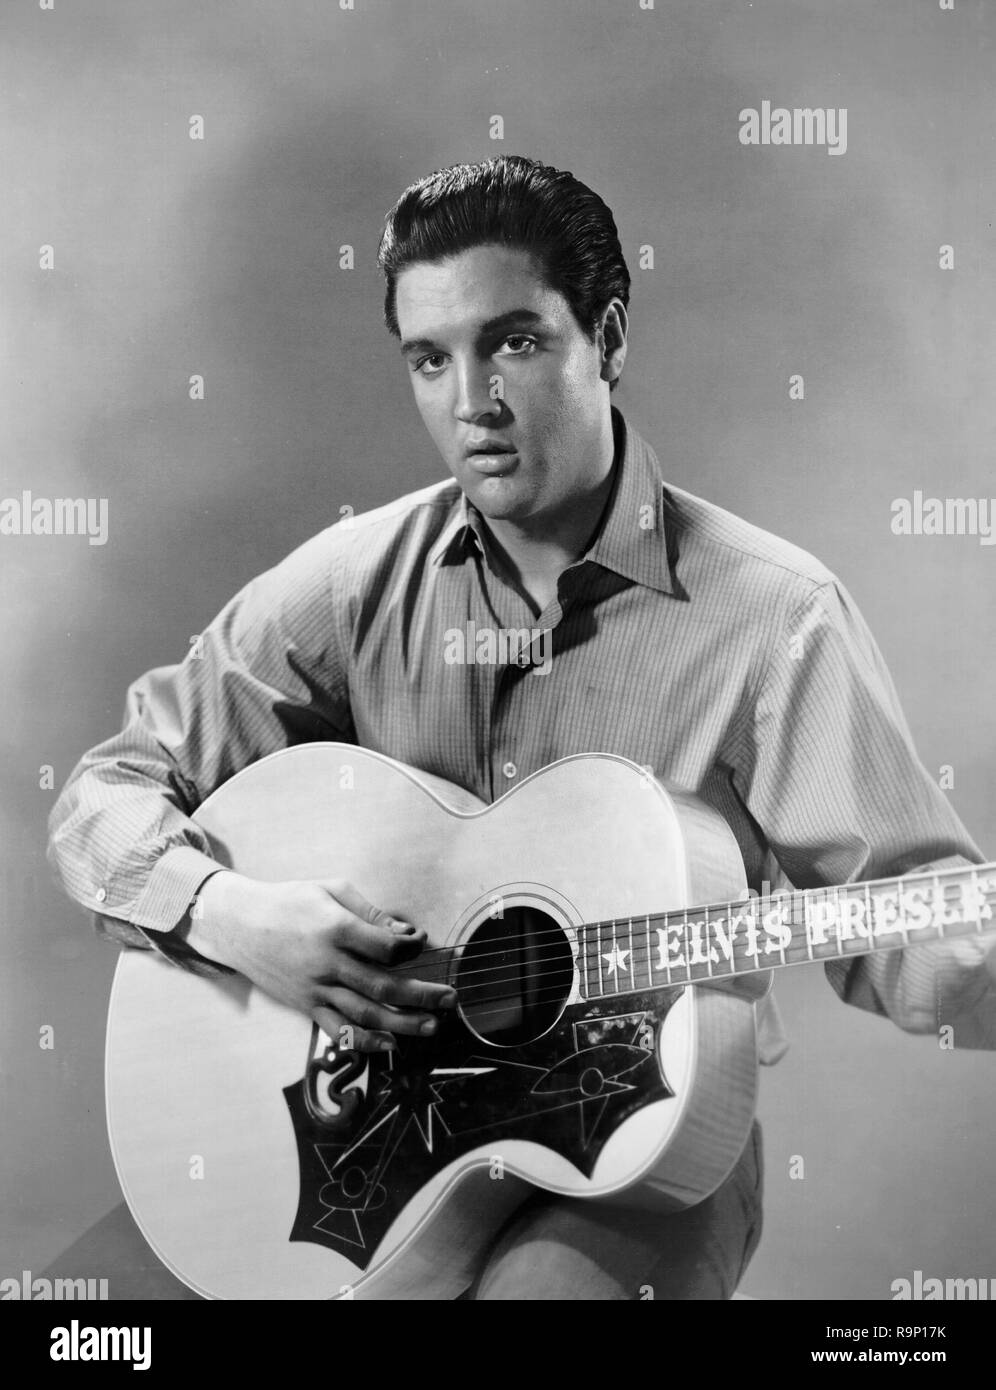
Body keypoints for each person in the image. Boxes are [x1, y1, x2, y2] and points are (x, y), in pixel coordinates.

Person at [46, 154, 996, 1300]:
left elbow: (919, 928)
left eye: (514, 342)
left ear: (608, 334)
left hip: (639, 1149)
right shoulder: (355, 586)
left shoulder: (775, 615)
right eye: (429, 358)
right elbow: (105, 792)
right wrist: (230, 913)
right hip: (361, 1122)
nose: (470, 404)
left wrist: (957, 965)